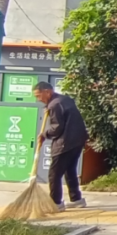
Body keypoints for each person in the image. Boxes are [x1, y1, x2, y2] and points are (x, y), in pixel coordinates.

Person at [32, 82, 89, 211]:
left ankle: (55, 203)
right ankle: (76, 199)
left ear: (47, 92)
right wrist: (48, 108)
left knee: (54, 174)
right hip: (77, 140)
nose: (38, 99)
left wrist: (44, 134)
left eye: (39, 95)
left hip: (65, 142)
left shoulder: (55, 105)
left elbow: (57, 128)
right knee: (70, 170)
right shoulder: (64, 99)